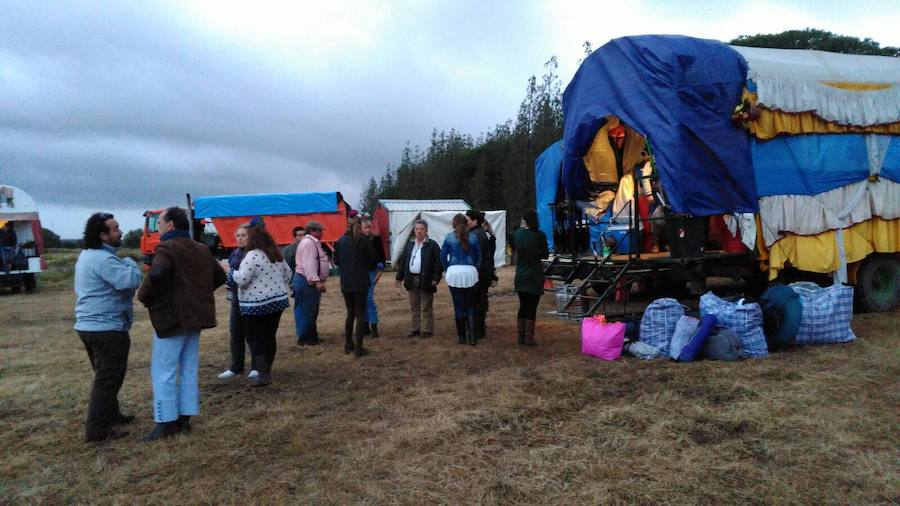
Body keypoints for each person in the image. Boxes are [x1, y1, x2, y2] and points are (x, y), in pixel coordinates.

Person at [137, 207, 226, 442]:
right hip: (195, 317)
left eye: (162, 224)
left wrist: (144, 296)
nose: (160, 228)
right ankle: (185, 417)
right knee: (188, 367)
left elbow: (157, 275)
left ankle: (165, 421)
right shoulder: (201, 248)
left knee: (163, 369)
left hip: (172, 317)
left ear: (170, 226)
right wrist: (198, 294)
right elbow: (220, 276)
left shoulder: (166, 248)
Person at [73, 212, 143, 442]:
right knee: (108, 378)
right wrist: (131, 263)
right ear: (102, 235)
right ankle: (97, 431)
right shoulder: (103, 260)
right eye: (115, 229)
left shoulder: (87, 255)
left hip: (90, 326)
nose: (120, 231)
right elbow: (131, 281)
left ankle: (112, 414)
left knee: (105, 374)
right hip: (106, 328)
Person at [219, 223, 292, 386]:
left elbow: (241, 280)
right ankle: (266, 369)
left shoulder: (252, 255)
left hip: (256, 305)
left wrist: (228, 270)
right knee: (269, 337)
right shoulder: (275, 253)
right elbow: (288, 273)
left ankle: (263, 374)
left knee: (255, 339)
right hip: (277, 302)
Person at [333, 218, 377, 356]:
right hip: (361, 282)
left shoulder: (340, 241)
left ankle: (348, 344)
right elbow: (372, 260)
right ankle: (359, 347)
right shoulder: (363, 241)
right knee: (360, 314)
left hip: (346, 282)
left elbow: (337, 261)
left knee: (350, 314)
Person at [216, 224, 255, 380]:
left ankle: (256, 367)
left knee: (252, 334)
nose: (240, 238)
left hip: (251, 300)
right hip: (236, 299)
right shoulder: (235, 253)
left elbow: (242, 276)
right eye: (238, 235)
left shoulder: (253, 254)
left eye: (243, 235)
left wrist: (230, 273)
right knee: (236, 332)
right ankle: (236, 367)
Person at [395, 219, 442, 338]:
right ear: (414, 231)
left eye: (421, 229)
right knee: (414, 306)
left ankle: (427, 330)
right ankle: (415, 329)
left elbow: (439, 263)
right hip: (411, 279)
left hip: (426, 279)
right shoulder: (410, 245)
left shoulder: (432, 245)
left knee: (426, 307)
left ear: (426, 230)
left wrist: (436, 278)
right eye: (417, 229)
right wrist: (399, 277)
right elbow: (403, 261)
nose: (419, 231)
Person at [440, 214, 481, 345]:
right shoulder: (473, 238)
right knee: (470, 305)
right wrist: (475, 270)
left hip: (454, 271)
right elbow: (478, 257)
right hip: (470, 271)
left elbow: (442, 257)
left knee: (458, 306)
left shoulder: (449, 238)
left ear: (454, 224)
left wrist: (448, 269)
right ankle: (473, 337)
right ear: (466, 223)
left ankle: (462, 337)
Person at [514, 210, 549, 346]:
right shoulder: (540, 235)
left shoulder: (517, 234)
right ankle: (529, 337)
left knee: (523, 305)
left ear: (524, 220)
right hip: (534, 275)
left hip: (521, 274)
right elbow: (545, 254)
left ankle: (520, 336)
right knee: (532, 307)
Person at [293, 221, 329, 345]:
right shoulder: (309, 243)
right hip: (306, 281)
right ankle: (305, 338)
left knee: (310, 310)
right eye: (320, 230)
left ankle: (311, 336)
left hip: (305, 280)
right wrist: (317, 281)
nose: (322, 233)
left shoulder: (310, 242)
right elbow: (309, 265)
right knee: (307, 310)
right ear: (314, 231)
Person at [465, 210, 497, 340]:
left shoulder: (475, 236)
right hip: (483, 273)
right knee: (480, 301)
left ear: (474, 221)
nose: (466, 222)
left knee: (475, 301)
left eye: (468, 220)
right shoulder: (482, 234)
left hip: (477, 273)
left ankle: (476, 329)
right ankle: (479, 328)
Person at [362, 217, 385, 338]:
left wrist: (380, 271)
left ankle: (374, 325)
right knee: (362, 300)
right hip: (360, 273)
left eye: (369, 227)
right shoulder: (358, 240)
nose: (367, 230)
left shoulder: (375, 239)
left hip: (372, 271)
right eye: (365, 227)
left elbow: (381, 255)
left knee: (369, 299)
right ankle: (365, 325)